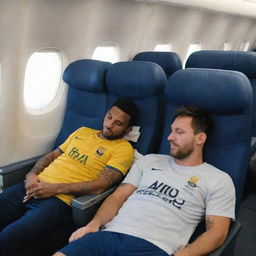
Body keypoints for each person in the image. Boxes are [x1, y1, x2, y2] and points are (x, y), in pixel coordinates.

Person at [54, 106, 236, 256]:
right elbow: (119, 196)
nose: (170, 137)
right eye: (171, 130)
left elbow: (217, 232)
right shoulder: (149, 160)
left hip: (155, 247)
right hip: (110, 235)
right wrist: (94, 224)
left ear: (200, 138)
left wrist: (184, 254)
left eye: (179, 132)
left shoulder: (218, 179)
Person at [0, 98, 137, 256]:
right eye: (109, 117)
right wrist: (31, 174)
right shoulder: (83, 132)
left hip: (59, 200)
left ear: (128, 129)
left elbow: (101, 185)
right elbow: (52, 155)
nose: (109, 124)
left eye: (118, 123)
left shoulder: (123, 149)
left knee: (7, 238)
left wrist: (54, 188)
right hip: (33, 185)